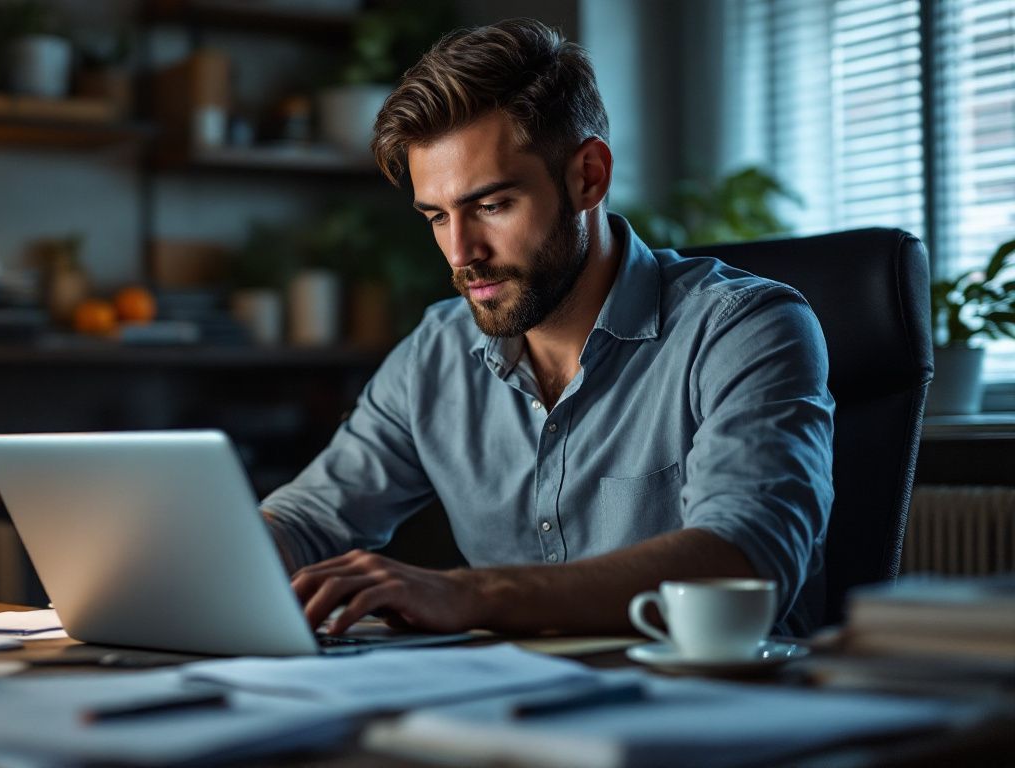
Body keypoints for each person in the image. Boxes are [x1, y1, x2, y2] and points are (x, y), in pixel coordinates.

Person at [262, 18, 834, 639]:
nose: (461, 253)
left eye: (491, 205)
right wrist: (189, 561)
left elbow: (744, 559)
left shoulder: (745, 328)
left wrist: (475, 593)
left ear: (588, 175)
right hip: (513, 708)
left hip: (718, 710)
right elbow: (308, 521)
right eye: (436, 217)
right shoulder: (437, 352)